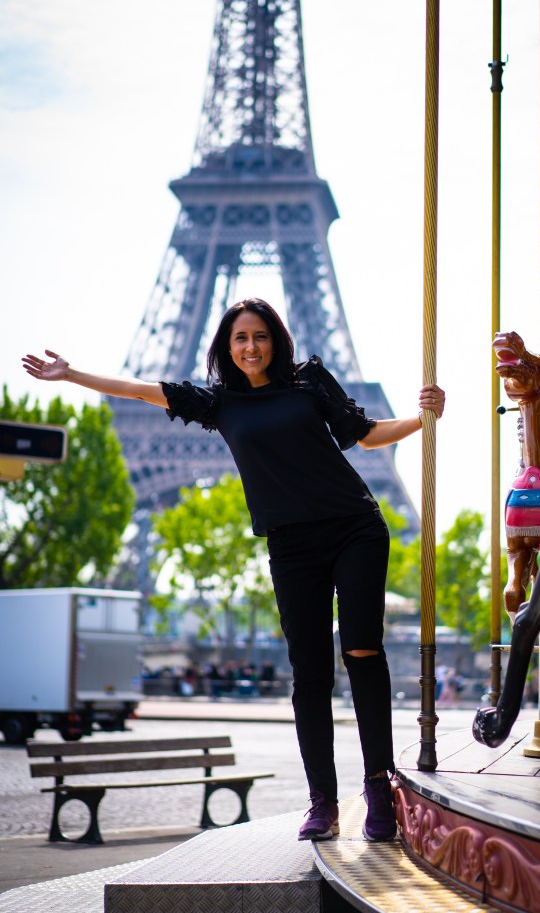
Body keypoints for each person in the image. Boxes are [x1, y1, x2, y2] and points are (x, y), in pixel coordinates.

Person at [22, 297, 445, 843]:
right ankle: (322, 801)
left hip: (354, 528)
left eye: (260, 336)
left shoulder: (310, 381)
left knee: (362, 650)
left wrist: (423, 418)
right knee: (310, 673)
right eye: (240, 338)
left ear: (276, 341)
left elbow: (365, 434)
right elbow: (141, 391)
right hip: (291, 544)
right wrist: (72, 374)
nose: (251, 346)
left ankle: (378, 788)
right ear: (227, 346)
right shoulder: (219, 403)